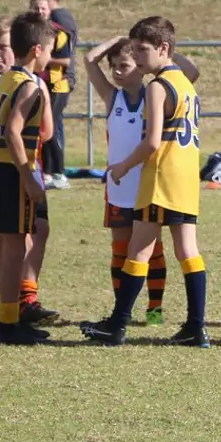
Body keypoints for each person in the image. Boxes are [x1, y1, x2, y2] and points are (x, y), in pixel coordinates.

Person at [82, 16, 212, 348]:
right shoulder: (185, 82)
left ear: (163, 49)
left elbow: (152, 141)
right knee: (187, 250)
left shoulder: (156, 86)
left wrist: (123, 166)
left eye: (143, 50)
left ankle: (117, 324)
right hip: (186, 177)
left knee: (138, 250)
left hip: (161, 177)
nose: (138, 57)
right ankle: (196, 326)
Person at [0, 14, 58, 346]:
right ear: (37, 49)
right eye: (49, 50)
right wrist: (28, 176)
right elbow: (13, 132)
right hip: (11, 172)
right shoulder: (31, 86)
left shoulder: (6, 79)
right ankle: (8, 324)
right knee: (16, 248)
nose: (50, 57)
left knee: (8, 248)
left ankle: (10, 319)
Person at [85, 36, 172, 327]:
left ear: (141, 67)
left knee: (153, 249)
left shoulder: (155, 95)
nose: (116, 71)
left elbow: (190, 72)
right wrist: (115, 41)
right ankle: (122, 308)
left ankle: (155, 309)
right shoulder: (113, 98)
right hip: (119, 187)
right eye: (113, 66)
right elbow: (88, 60)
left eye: (124, 65)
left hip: (147, 186)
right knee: (120, 248)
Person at [28, 0, 77, 191]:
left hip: (58, 86)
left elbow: (66, 60)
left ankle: (59, 172)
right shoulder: (33, 32)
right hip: (42, 85)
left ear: (49, 9)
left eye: (43, 9)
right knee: (45, 127)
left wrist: (44, 61)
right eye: (36, 8)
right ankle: (47, 172)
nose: (39, 12)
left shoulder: (58, 31)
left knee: (49, 127)